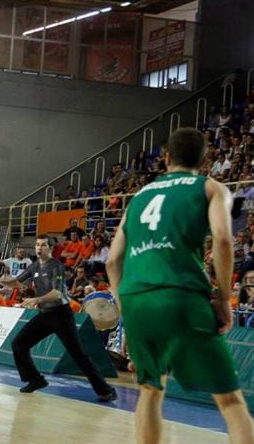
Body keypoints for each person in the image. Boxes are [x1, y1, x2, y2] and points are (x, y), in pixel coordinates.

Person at [106, 128, 254, 444]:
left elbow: (112, 259)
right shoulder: (211, 188)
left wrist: (123, 303)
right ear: (204, 160)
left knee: (149, 389)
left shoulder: (139, 196)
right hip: (180, 294)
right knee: (229, 399)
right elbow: (224, 240)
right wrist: (224, 298)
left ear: (166, 158)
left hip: (136, 298)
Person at [0, 234, 117, 402]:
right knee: (19, 344)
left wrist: (36, 299)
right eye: (37, 245)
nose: (39, 248)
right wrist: (2, 281)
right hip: (44, 315)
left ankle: (106, 390)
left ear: (50, 248)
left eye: (43, 245)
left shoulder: (57, 266)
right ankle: (35, 379)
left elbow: (57, 293)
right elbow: (17, 282)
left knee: (78, 355)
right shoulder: (34, 266)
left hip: (61, 315)